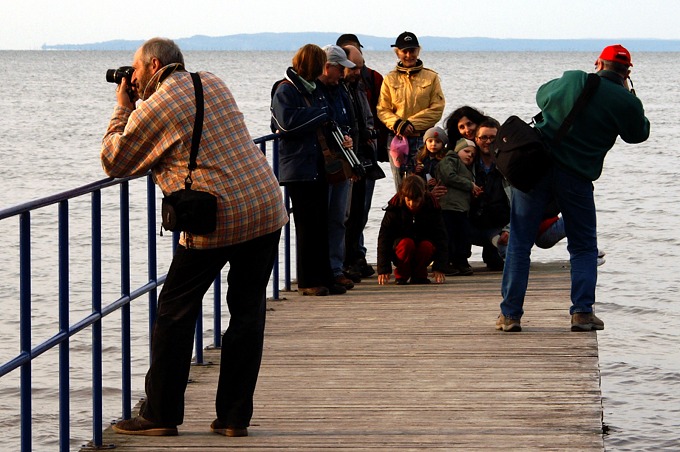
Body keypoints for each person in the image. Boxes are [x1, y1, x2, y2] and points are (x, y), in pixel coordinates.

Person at [101, 37, 288, 437]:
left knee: (173, 313)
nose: (131, 78)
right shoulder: (212, 81)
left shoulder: (158, 104)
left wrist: (123, 105)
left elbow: (114, 160)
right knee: (247, 312)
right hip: (265, 205)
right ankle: (234, 418)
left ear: (153, 66)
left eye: (134, 71)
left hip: (218, 217)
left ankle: (160, 414)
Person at [497, 44, 650, 333]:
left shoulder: (573, 79)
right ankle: (581, 313)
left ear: (598, 63)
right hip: (577, 177)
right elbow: (638, 134)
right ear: (627, 71)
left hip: (536, 168)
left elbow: (542, 96)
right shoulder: (627, 101)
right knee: (582, 246)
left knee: (519, 243)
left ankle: (510, 316)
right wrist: (632, 98)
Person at [270, 44, 347, 296]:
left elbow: (326, 117)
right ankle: (308, 280)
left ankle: (324, 276)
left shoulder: (312, 90)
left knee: (320, 223)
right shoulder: (285, 89)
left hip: (317, 164)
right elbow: (285, 124)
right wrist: (320, 114)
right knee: (306, 225)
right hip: (298, 167)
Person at [336, 34, 387, 278]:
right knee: (344, 215)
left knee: (359, 212)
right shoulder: (338, 90)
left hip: (363, 157)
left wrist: (371, 141)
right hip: (347, 159)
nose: (358, 71)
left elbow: (368, 116)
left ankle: (354, 256)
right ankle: (345, 261)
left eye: (361, 66)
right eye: (354, 67)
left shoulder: (361, 84)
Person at [377, 31, 445, 190]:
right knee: (401, 188)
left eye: (412, 50)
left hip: (424, 141)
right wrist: (398, 124)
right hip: (397, 141)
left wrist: (410, 124)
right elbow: (382, 109)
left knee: (425, 185)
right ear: (397, 53)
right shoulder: (389, 79)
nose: (408, 55)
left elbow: (437, 109)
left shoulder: (431, 77)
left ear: (418, 51)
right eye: (404, 51)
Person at [316, 45, 358, 291]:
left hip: (342, 161)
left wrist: (350, 138)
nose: (343, 74)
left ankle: (335, 268)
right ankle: (324, 270)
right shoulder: (313, 91)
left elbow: (347, 122)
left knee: (339, 218)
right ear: (327, 66)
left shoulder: (340, 90)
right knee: (322, 219)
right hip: (321, 164)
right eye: (340, 68)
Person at [377, 175, 447, 285]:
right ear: (403, 196)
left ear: (423, 196)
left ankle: (419, 274)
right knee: (406, 244)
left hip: (424, 249)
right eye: (408, 200)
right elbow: (384, 239)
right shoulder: (394, 208)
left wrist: (439, 267)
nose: (412, 204)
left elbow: (441, 238)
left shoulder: (432, 207)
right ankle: (401, 275)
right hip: (401, 250)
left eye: (416, 200)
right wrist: (383, 269)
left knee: (427, 246)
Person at [436, 138, 483, 276]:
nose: (469, 155)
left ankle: (461, 262)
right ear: (457, 151)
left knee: (462, 236)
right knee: (449, 236)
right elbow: (448, 176)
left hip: (461, 208)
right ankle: (447, 263)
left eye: (473, 154)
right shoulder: (450, 160)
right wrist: (470, 185)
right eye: (466, 151)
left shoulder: (467, 170)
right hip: (448, 207)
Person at [468, 117, 510, 271]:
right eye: (483, 137)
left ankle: (493, 252)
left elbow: (518, 202)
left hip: (498, 226)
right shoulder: (466, 163)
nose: (488, 141)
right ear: (476, 139)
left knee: (502, 263)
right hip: (471, 224)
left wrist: (509, 229)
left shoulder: (507, 165)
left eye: (492, 137)